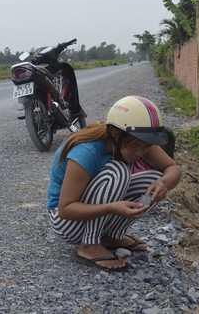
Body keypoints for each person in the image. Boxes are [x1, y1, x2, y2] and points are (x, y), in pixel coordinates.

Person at [46, 95, 182, 272]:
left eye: (146, 147)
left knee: (153, 178)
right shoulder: (87, 151)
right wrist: (111, 208)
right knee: (117, 171)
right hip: (66, 223)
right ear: (116, 134)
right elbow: (65, 209)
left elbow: (173, 169)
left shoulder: (138, 140)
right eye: (135, 146)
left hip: (92, 216)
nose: (140, 153)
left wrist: (164, 183)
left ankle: (112, 236)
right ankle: (89, 245)